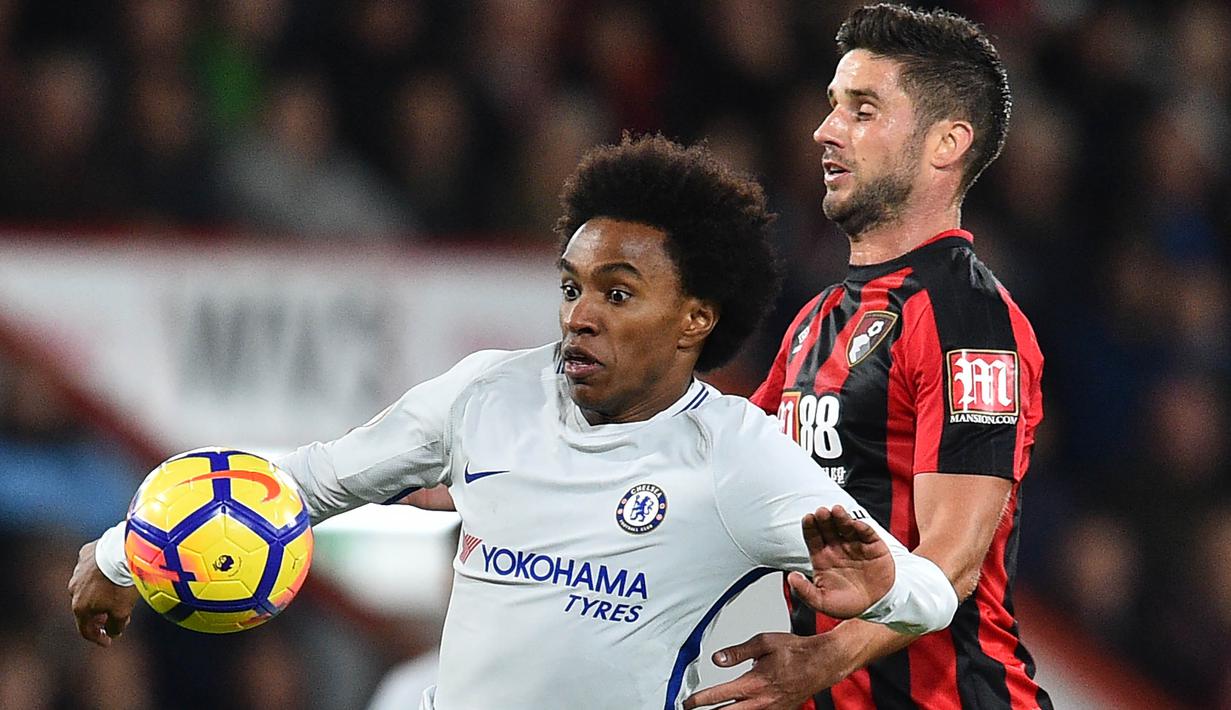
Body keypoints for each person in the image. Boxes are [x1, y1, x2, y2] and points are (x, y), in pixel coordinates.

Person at [69, 135, 959, 709]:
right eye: (571, 286)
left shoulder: (736, 457)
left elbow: (931, 594)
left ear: (695, 317)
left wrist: (880, 590)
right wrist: (118, 555)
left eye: (618, 294)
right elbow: (300, 484)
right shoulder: (487, 394)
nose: (579, 315)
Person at [683, 5, 1052, 710]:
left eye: (862, 109)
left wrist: (822, 658)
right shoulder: (815, 320)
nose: (825, 130)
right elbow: (719, 478)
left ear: (945, 143)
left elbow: (951, 563)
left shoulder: (967, 319)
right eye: (833, 106)